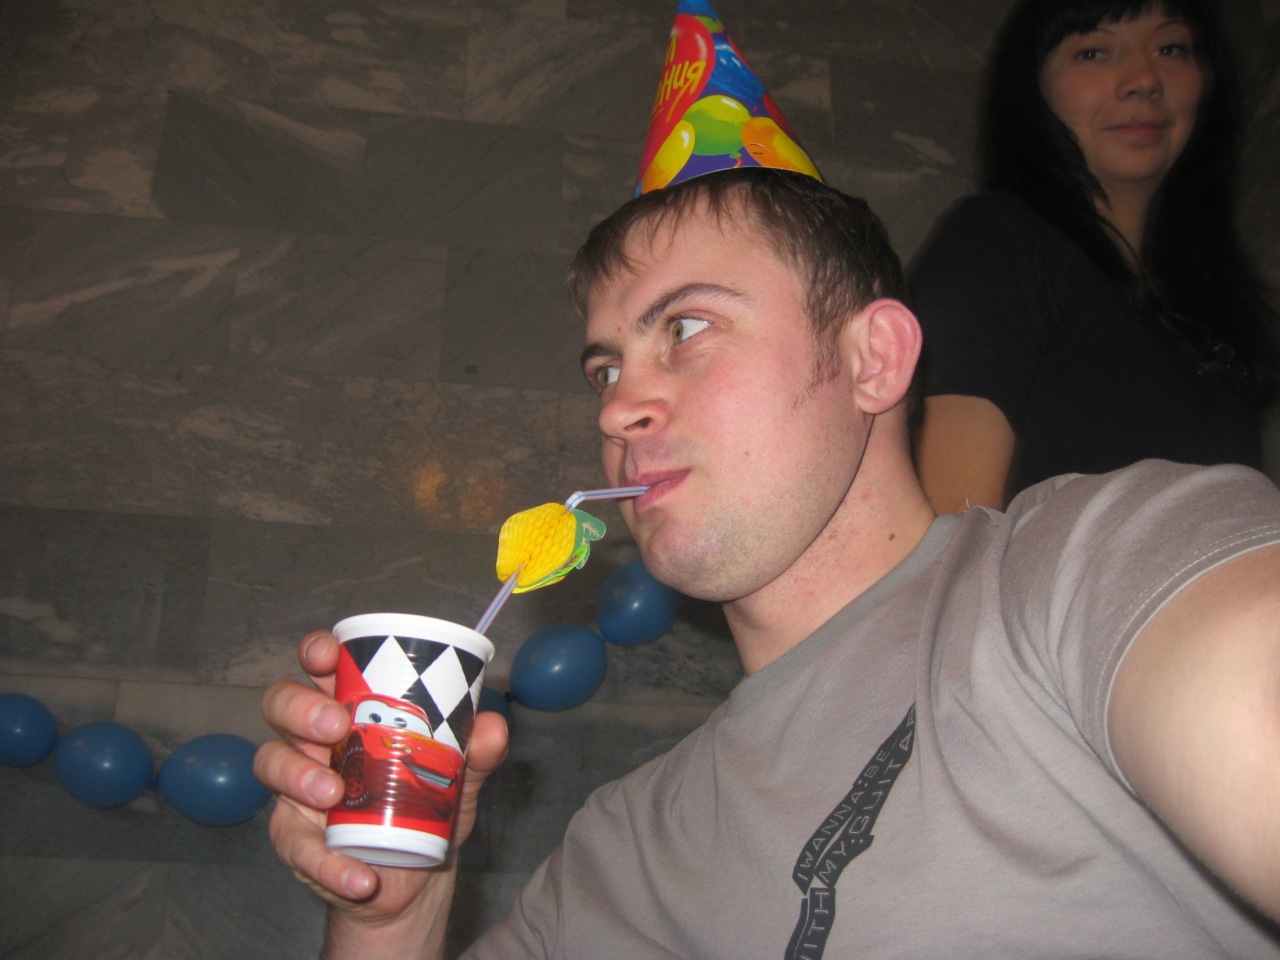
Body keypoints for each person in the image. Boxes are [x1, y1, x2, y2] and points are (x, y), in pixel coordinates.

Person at [254, 168, 1280, 959]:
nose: (616, 408)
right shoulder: (618, 858)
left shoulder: (1099, 568)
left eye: (685, 328)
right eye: (605, 368)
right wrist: (394, 913)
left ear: (873, 359)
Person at [909, 0, 1279, 514]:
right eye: (1094, 53)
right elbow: (951, 529)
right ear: (1033, 86)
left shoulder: (1209, 305)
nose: (1144, 80)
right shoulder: (997, 241)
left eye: (1171, 48)